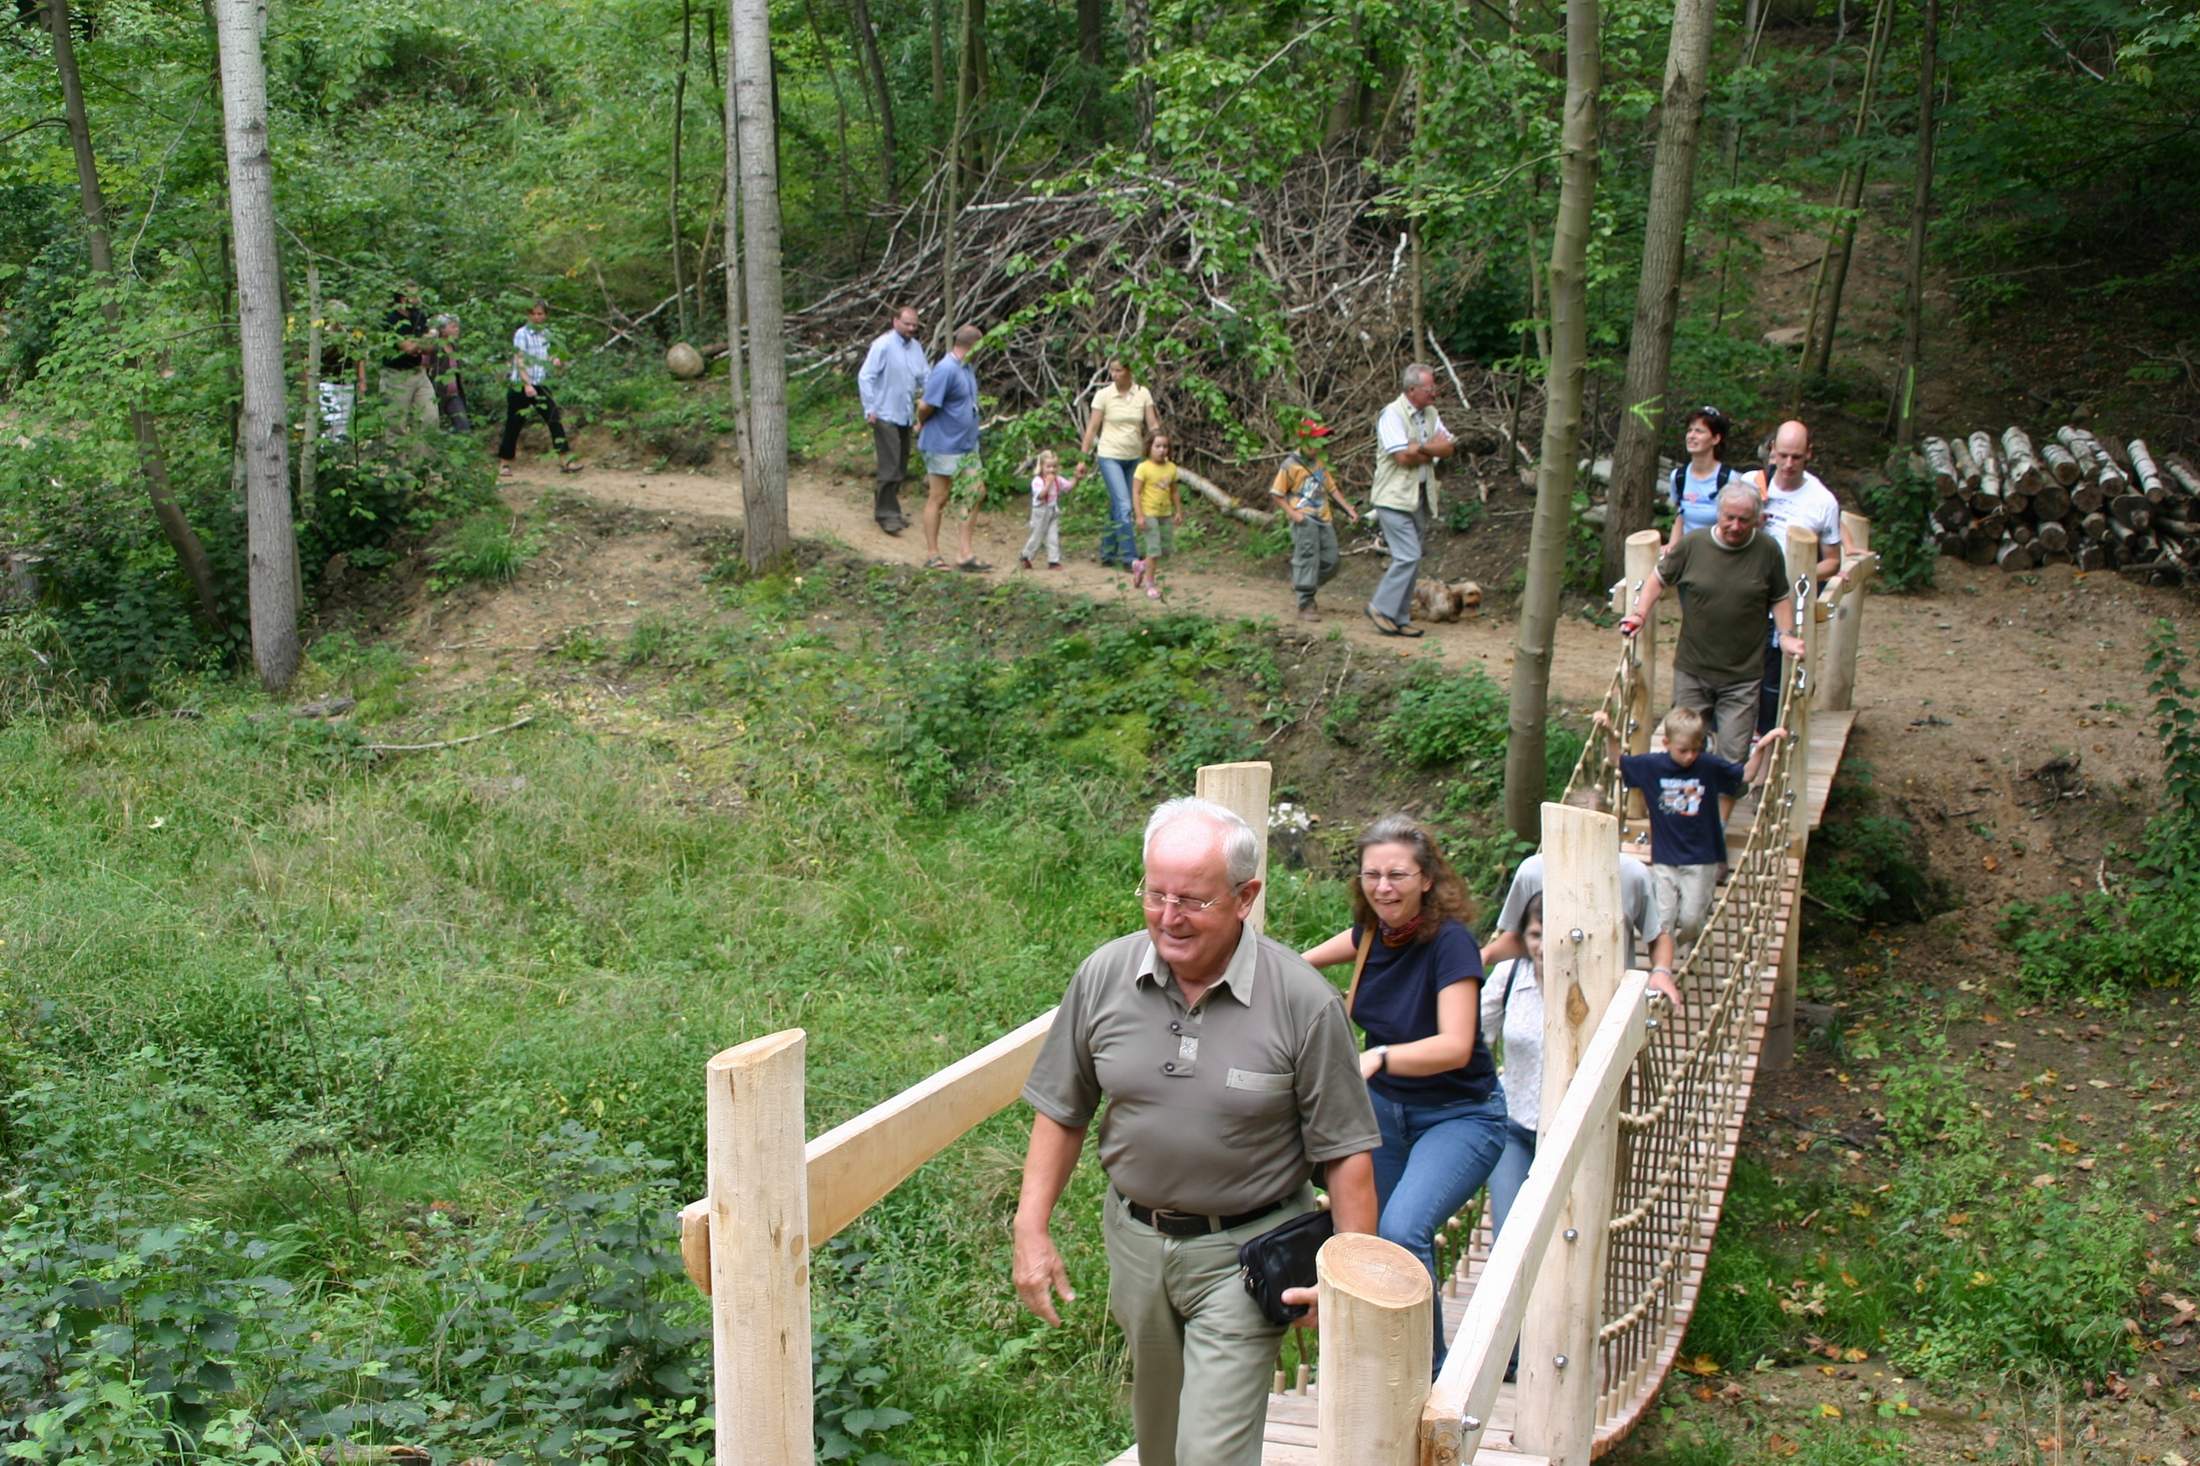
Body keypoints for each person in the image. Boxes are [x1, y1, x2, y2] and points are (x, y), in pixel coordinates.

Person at [1014, 798, 1379, 1466]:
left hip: (1246, 1253)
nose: (1168, 916)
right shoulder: (1104, 977)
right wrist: (1030, 1228)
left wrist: (1347, 1280)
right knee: (1159, 1443)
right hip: (1135, 1244)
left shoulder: (1302, 1002)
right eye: (1155, 894)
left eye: (1192, 900)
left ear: (1246, 897)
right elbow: (1063, 1109)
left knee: (1211, 1453)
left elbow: (1346, 1153)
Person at [1300, 815, 1505, 1371]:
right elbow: (1304, 962)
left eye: (1397, 875)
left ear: (1427, 880)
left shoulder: (1452, 944)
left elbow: (1456, 1045)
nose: (1383, 887)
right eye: (1372, 875)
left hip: (1459, 1115)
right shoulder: (1370, 935)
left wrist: (1381, 1056)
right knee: (1368, 1238)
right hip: (1385, 1113)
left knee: (1402, 1229)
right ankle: (1381, 1364)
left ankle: (1427, 1374)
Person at [1619, 483, 1804, 765]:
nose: (1735, 526)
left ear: (1757, 519)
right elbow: (1658, 578)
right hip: (1693, 670)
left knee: (1733, 758)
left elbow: (1779, 596)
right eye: (1729, 517)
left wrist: (1786, 635)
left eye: (1744, 520)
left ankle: (1723, 793)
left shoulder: (1767, 550)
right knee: (1684, 751)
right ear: (1718, 513)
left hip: (1742, 676)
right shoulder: (1693, 544)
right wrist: (1639, 614)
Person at [1595, 706, 1786, 945]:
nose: (1690, 756)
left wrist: (1762, 746)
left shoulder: (1707, 766)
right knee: (1663, 921)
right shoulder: (1652, 766)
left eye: (1696, 750)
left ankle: (1684, 944)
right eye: (1683, 750)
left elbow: (1746, 775)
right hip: (1665, 858)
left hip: (1701, 858)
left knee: (1691, 920)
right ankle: (1664, 963)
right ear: (1666, 743)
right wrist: (1609, 731)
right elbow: (1617, 760)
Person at [1479, 787, 1681, 1011]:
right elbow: (1518, 938)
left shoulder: (1632, 875)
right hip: (1543, 996)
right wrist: (1485, 955)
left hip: (1611, 1000)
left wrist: (1661, 971)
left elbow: (1657, 935)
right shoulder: (1533, 872)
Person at [1747, 420, 1853, 732]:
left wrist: (1796, 577)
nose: (1789, 464)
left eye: (1796, 457)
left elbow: (1831, 561)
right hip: (1745, 592)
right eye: (1783, 455)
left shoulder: (1822, 501)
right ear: (1772, 451)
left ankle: (1770, 736)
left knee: (1774, 671)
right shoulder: (1751, 485)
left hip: (1787, 599)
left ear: (1809, 454)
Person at [1480, 892, 1545, 1384]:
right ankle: (1511, 1351)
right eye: (1536, 934)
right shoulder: (1510, 977)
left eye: (1552, 935)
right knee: (1507, 1238)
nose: (1543, 946)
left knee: (1562, 1242)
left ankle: (1552, 1344)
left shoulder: (1599, 984)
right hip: (1515, 1126)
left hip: (1574, 1137)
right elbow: (1474, 1038)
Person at [1368, 363, 1456, 638]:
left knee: (1413, 560)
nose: (1434, 392)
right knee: (1408, 555)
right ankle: (1380, 607)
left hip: (1418, 496)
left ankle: (1399, 616)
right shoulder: (1392, 415)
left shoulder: (1431, 413)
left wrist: (1422, 447)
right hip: (1393, 497)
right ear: (1412, 389)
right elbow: (1403, 457)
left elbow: (1449, 447)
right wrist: (1431, 449)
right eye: (1429, 388)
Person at [1269, 417, 1360, 623]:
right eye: (1316, 440)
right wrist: (1294, 515)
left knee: (1332, 560)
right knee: (1307, 558)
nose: (1320, 445)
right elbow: (1277, 494)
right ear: (1305, 441)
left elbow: (1331, 488)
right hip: (1305, 518)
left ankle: (1302, 584)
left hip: (1324, 517)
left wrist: (1348, 509)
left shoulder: (1319, 462)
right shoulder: (1290, 465)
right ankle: (1306, 603)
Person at [917, 323, 991, 571]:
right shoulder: (946, 369)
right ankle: (932, 554)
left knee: (976, 491)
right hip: (942, 444)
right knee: (939, 497)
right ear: (973, 345)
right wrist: (921, 423)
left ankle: (965, 553)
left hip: (966, 445)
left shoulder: (966, 368)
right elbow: (925, 405)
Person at [1080, 359, 1161, 569]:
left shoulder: (1142, 393)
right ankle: (1129, 557)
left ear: (1129, 371)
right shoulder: (1104, 395)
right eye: (1112, 371)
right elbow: (1092, 427)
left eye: (1118, 370)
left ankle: (1107, 553)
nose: (1114, 375)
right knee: (1125, 505)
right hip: (1110, 455)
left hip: (1133, 456)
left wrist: (1159, 448)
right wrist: (1083, 458)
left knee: (1118, 504)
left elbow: (1152, 424)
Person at [857, 305, 928, 535]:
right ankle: (887, 515)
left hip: (905, 415)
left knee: (901, 463)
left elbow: (925, 376)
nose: (911, 328)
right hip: (884, 413)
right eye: (907, 324)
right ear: (895, 321)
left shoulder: (916, 348)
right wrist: (870, 408)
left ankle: (888, 508)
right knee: (890, 464)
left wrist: (933, 398)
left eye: (914, 325)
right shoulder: (883, 345)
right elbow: (865, 376)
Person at [498, 299, 580, 476]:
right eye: (533, 314)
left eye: (540, 314)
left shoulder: (546, 334)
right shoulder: (521, 334)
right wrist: (527, 384)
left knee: (554, 419)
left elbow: (546, 356)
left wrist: (555, 360)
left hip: (541, 384)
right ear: (528, 315)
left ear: (545, 315)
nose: (536, 317)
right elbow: (520, 359)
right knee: (514, 424)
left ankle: (565, 460)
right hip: (521, 385)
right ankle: (504, 463)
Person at [1664, 406, 1733, 550]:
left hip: (1719, 553)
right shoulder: (1679, 477)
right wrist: (1672, 546)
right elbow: (1680, 514)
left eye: (1699, 431)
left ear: (1715, 439)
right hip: (1687, 553)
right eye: (1689, 430)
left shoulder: (1728, 479)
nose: (1691, 436)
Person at [380, 285, 439, 436]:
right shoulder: (390, 319)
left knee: (429, 417)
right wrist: (427, 338)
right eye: (415, 295)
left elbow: (430, 348)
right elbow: (408, 348)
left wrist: (422, 343)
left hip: (418, 372)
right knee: (396, 424)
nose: (419, 299)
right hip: (396, 375)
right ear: (403, 299)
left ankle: (423, 451)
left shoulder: (419, 316)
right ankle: (397, 451)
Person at [1129, 432, 1181, 601]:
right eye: (1157, 446)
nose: (1161, 450)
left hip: (1165, 514)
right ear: (1149, 447)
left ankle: (1141, 566)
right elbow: (1136, 492)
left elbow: (1174, 491)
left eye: (1165, 446)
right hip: (1149, 513)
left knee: (1164, 550)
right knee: (1153, 549)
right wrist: (1139, 515)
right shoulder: (1143, 468)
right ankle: (1150, 584)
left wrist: (1178, 511)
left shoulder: (1171, 468)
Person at [1020, 450, 1079, 570]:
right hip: (1040, 511)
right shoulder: (1037, 481)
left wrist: (1076, 478)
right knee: (1037, 535)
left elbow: (1068, 487)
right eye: (1048, 467)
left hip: (1052, 510)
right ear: (1041, 467)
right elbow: (1040, 496)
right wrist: (1047, 484)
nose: (1052, 470)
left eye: (1054, 466)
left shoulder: (1057, 479)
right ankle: (1026, 556)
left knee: (1053, 536)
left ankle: (1053, 561)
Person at [427, 315, 471, 434]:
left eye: (457, 327)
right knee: (432, 426)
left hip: (454, 394)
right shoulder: (434, 348)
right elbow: (425, 367)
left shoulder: (454, 347)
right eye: (453, 327)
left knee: (464, 427)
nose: (457, 329)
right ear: (442, 330)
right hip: (437, 394)